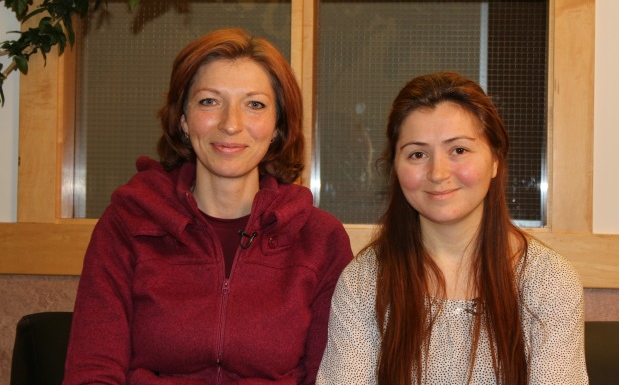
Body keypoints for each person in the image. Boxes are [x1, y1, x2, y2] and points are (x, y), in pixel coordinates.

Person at [63, 28, 353, 384]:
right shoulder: (127, 223)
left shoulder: (320, 239)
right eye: (209, 102)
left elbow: (329, 376)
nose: (230, 124)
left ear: (278, 125)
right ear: (183, 120)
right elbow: (92, 371)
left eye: (255, 104)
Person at [316, 72, 588, 384]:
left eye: (458, 150)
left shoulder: (549, 281)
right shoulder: (365, 282)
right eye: (417, 154)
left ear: (495, 159)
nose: (438, 172)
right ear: (395, 167)